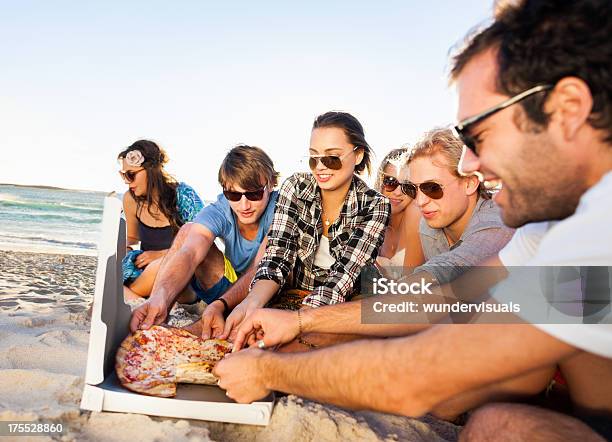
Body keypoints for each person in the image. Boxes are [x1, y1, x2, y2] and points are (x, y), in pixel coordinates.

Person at [213, 2, 612, 440]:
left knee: (495, 420)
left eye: (479, 135)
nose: (473, 164)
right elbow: (443, 299)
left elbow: (418, 373)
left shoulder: (598, 229)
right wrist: (303, 322)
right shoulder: (552, 228)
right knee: (495, 421)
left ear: (570, 108)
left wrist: (268, 370)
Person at [216, 111, 390, 348]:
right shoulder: (295, 187)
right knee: (237, 334)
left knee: (289, 348)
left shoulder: (375, 205)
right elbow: (277, 257)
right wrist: (251, 303)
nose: (320, 167)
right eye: (313, 158)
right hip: (293, 295)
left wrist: (296, 323)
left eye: (332, 158)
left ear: (357, 155)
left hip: (343, 306)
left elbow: (343, 277)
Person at [129, 145, 279, 336]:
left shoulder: (280, 210)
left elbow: (262, 268)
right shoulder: (221, 210)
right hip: (230, 292)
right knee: (187, 231)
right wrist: (160, 295)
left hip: (266, 293)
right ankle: (158, 309)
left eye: (254, 194)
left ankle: (203, 324)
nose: (244, 205)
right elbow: (190, 253)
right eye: (233, 194)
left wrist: (220, 304)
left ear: (271, 184)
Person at [407, 127, 514, 284]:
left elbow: (453, 266)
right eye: (411, 189)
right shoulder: (427, 225)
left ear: (469, 183)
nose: (420, 201)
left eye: (432, 188)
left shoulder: (499, 221)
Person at [119, 140, 203, 300]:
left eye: (131, 175)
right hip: (146, 275)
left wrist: (161, 255)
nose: (127, 182)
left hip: (182, 275)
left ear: (151, 170)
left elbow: (204, 240)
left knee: (161, 267)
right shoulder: (131, 199)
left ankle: (128, 297)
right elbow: (131, 238)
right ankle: (135, 299)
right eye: (123, 175)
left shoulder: (183, 195)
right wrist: (118, 248)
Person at [373, 148, 424, 270]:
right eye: (390, 182)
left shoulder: (415, 213)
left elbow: (410, 283)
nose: (397, 193)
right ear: (380, 182)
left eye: (407, 186)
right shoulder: (371, 216)